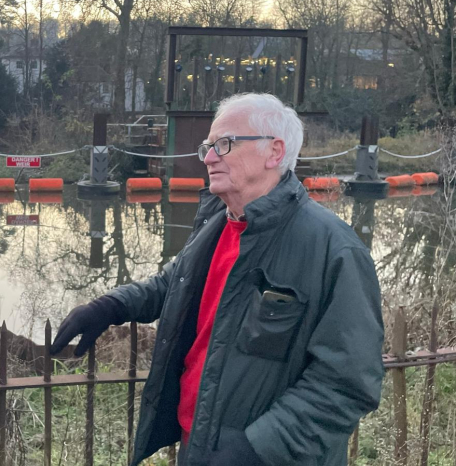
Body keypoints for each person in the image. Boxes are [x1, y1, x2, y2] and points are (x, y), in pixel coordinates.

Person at [51, 93, 384, 466]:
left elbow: (347, 383)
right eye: (208, 146)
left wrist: (256, 450)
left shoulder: (334, 249)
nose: (209, 157)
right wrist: (110, 307)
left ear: (274, 152)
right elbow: (173, 283)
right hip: (198, 445)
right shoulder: (218, 222)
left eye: (224, 144)